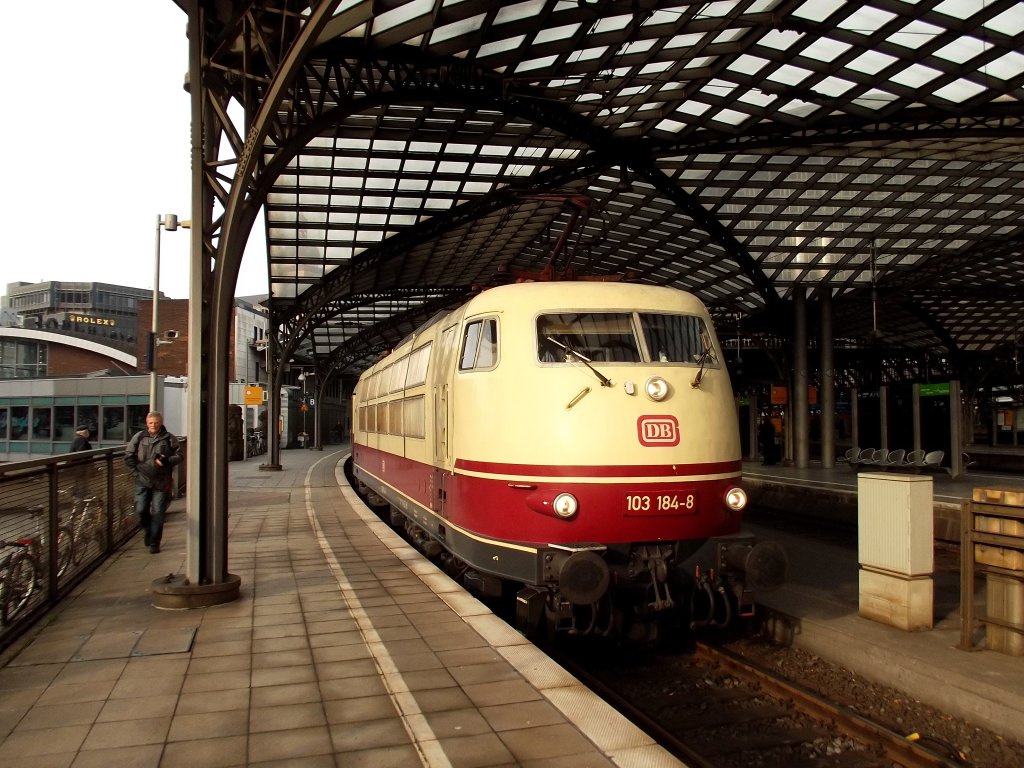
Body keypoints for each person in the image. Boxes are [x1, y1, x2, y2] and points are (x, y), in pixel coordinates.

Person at [124, 411, 183, 553]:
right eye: (151, 423)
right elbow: (128, 455)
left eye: (156, 422)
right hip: (142, 480)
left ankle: (154, 543)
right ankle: (148, 531)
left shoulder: (169, 438)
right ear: (147, 423)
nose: (153, 425)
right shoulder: (139, 437)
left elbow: (179, 455)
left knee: (158, 512)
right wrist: (135, 473)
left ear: (161, 423)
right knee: (141, 509)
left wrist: (167, 461)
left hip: (161, 481)